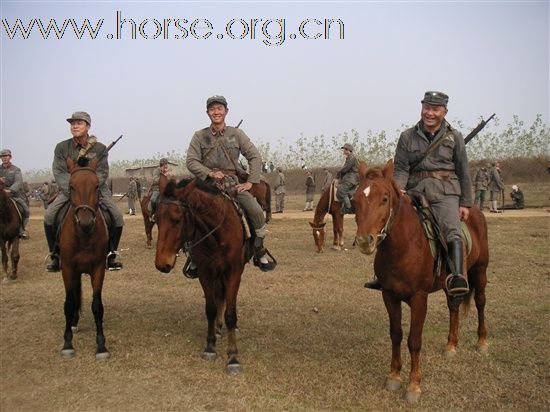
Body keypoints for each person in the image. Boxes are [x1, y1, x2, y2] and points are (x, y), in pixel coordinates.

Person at [366, 91, 472, 296]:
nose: (430, 113)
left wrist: (465, 203)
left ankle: (458, 276)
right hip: (413, 190)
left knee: (451, 229)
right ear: (421, 107)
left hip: (445, 192)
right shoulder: (407, 136)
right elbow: (401, 168)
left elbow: (463, 170)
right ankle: (383, 275)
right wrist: (399, 189)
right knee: (391, 225)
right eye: (426, 108)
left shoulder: (454, 137)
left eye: (435, 109)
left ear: (445, 111)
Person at [185, 95, 277, 278]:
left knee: (257, 211)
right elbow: (191, 161)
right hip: (207, 185)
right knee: (187, 214)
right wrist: (209, 173)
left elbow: (255, 157)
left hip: (232, 186)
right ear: (207, 113)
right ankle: (194, 255)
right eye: (212, 109)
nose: (216, 112)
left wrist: (251, 182)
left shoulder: (237, 134)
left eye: (219, 108)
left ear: (226, 111)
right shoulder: (199, 136)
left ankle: (258, 250)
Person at [44, 111, 124, 272]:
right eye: (72, 123)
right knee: (49, 216)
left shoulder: (100, 149)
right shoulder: (61, 148)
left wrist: (88, 188)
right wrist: (74, 189)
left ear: (88, 126)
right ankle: (55, 255)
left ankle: (111, 254)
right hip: (70, 191)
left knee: (117, 217)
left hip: (97, 190)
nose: (75, 126)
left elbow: (102, 172)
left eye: (79, 123)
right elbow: (59, 172)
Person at [0, 149, 30, 239]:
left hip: (13, 195)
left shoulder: (16, 169)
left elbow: (18, 182)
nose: (4, 158)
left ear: (10, 157)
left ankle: (21, 229)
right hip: (1, 196)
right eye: (2, 156)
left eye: (6, 156)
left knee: (26, 211)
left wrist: (11, 190)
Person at [336, 143, 359, 214]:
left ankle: (348, 208)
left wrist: (338, 172)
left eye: (345, 149)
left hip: (352, 177)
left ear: (348, 150)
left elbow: (345, 168)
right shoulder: (349, 157)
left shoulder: (351, 157)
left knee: (341, 190)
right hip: (349, 177)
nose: (343, 151)